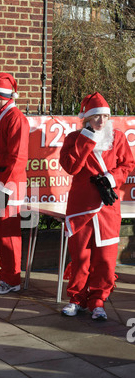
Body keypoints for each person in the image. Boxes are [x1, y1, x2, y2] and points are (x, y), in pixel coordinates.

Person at [60, 92, 135, 320]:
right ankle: (76, 299)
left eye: (105, 116)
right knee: (80, 256)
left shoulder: (118, 137)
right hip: (81, 207)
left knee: (105, 257)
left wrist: (111, 179)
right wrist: (86, 139)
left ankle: (98, 301)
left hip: (106, 207)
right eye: (96, 117)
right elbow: (71, 166)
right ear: (86, 119)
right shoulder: (74, 138)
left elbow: (128, 164)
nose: (102, 121)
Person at [0, 73, 30, 295]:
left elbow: (18, 158)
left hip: (9, 183)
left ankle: (12, 278)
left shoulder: (15, 118)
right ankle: (5, 272)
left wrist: (5, 189)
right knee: (0, 230)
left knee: (8, 232)